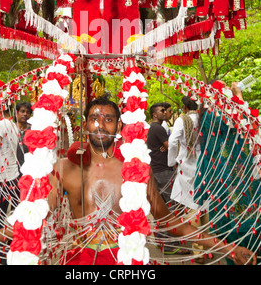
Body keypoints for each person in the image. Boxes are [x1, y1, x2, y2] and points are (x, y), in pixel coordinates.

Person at [49, 96, 256, 265]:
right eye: (94, 118)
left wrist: (230, 249)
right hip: (80, 261)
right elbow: (36, 215)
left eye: (108, 120)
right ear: (84, 124)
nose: (100, 125)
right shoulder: (64, 168)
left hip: (127, 261)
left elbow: (169, 222)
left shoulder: (136, 169)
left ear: (119, 125)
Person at [194, 81, 261, 265]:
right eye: (223, 88)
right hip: (232, 184)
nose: (227, 90)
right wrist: (238, 96)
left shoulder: (214, 114)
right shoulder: (215, 114)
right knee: (240, 237)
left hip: (236, 181)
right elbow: (243, 121)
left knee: (241, 236)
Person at [167, 95, 209, 262]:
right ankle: (205, 247)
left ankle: (198, 252)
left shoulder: (182, 120)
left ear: (184, 107)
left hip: (187, 167)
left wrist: (171, 162)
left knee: (192, 207)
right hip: (206, 165)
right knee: (204, 205)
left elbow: (172, 143)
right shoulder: (205, 119)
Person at [146, 103, 175, 207]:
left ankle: (162, 223)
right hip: (162, 170)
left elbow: (167, 146)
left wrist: (167, 147)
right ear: (154, 115)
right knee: (170, 202)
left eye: (165, 110)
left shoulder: (154, 127)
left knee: (162, 203)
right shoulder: (157, 128)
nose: (165, 113)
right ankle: (171, 223)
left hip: (157, 169)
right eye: (162, 111)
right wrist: (168, 147)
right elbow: (170, 147)